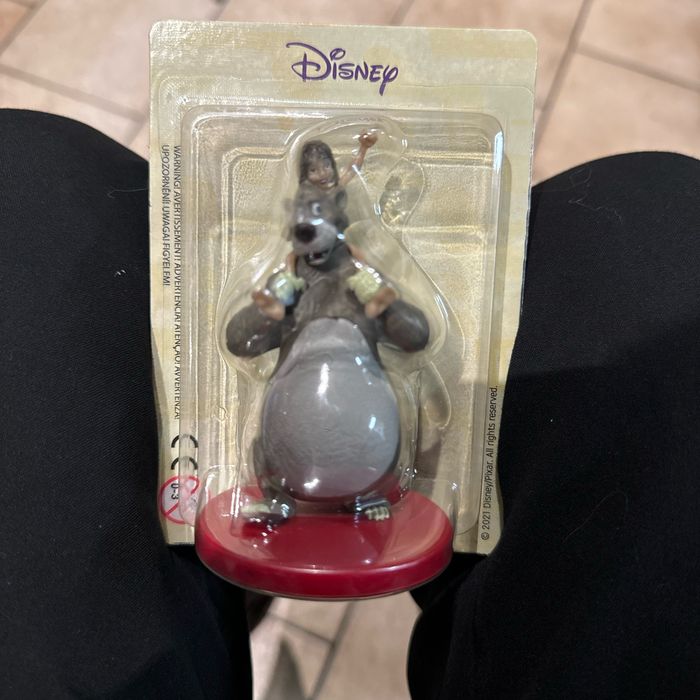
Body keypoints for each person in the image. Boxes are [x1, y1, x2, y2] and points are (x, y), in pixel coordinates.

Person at [2, 109, 698, 699]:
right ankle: (265, 527)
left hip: (373, 448)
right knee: (663, 205)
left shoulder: (364, 289)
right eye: (304, 223)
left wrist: (380, 297)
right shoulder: (291, 291)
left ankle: (347, 514)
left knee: (25, 161)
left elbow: (415, 336)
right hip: (282, 445)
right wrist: (273, 299)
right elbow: (241, 342)